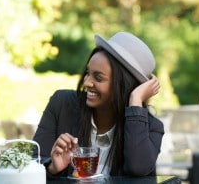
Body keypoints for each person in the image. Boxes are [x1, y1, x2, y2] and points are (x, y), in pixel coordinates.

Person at [33, 32, 164, 178]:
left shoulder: (151, 127)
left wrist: (135, 99)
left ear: (124, 85)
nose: (87, 82)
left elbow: (137, 168)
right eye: (88, 73)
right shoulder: (62, 104)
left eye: (98, 78)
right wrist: (52, 168)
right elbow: (32, 163)